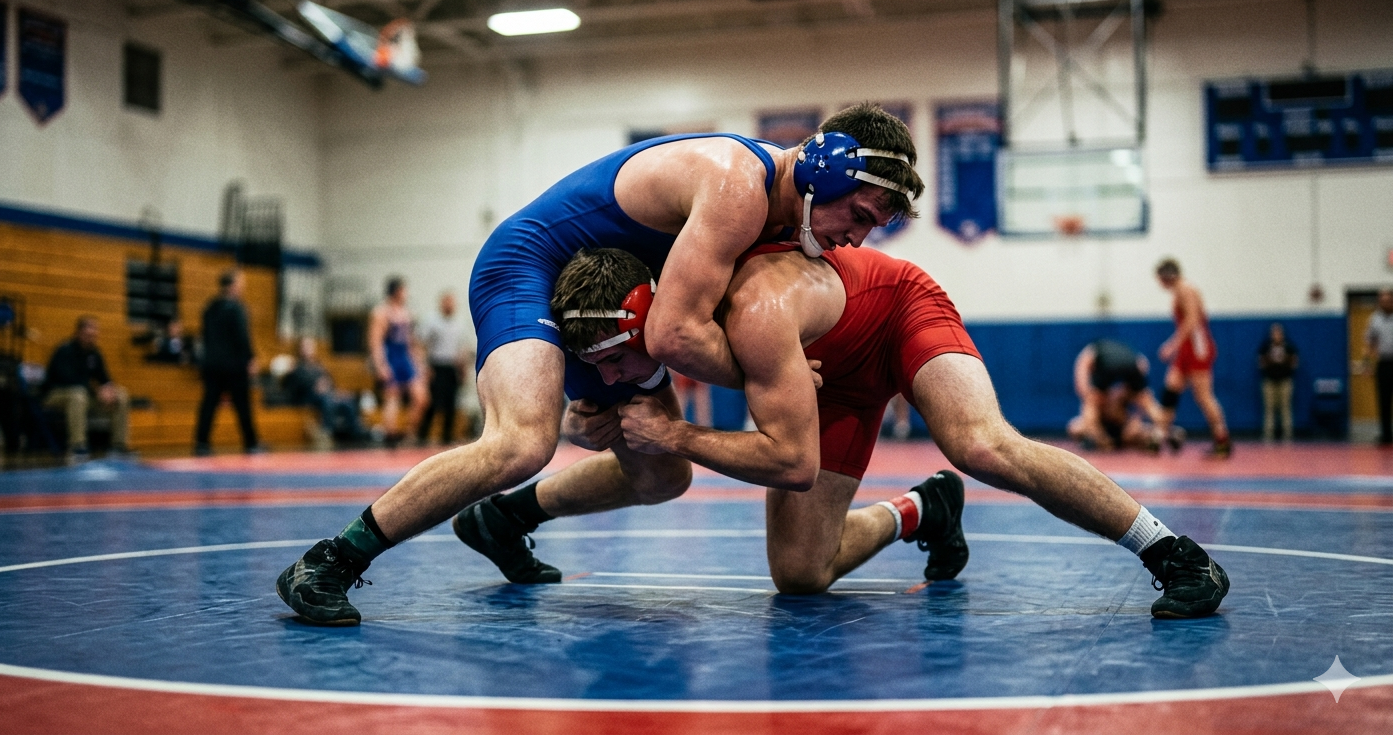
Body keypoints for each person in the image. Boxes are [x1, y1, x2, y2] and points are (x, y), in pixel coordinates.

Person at [275, 103, 927, 626]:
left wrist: (768, 368)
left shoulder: (784, 222)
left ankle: (506, 518)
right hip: (529, 270)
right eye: (859, 214)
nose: (858, 236)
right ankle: (330, 561)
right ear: (825, 175)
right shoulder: (738, 187)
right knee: (522, 441)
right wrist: (772, 375)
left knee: (664, 476)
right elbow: (674, 333)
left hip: (614, 303)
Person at [483, 245, 1228, 618]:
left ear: (650, 321)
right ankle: (922, 508)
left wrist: (673, 437)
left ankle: (1175, 553)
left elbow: (788, 463)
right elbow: (639, 416)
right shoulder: (662, 329)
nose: (616, 378)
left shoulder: (725, 318)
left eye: (618, 365)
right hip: (818, 366)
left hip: (894, 308)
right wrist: (596, 418)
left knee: (982, 444)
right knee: (800, 575)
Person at [1152, 259, 1231, 458]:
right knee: (1170, 389)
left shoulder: (1185, 289)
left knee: (1203, 396)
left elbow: (1192, 320)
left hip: (1197, 348)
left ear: (1166, 276)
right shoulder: (1181, 289)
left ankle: (1222, 440)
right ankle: (1160, 436)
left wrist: (1172, 345)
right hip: (1189, 348)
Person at [42, 316, 131, 462]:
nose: (92, 338)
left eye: (94, 335)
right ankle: (77, 446)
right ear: (78, 333)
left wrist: (108, 389)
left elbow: (104, 378)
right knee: (78, 394)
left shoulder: (95, 353)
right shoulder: (64, 350)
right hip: (55, 395)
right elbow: (68, 380)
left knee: (120, 395)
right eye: (88, 335)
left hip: (83, 395)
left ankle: (118, 446)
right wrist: (97, 391)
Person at [194, 270, 260, 455]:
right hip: (234, 365)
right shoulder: (237, 308)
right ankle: (251, 442)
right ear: (232, 285)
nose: (243, 287)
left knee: (209, 403)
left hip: (212, 364)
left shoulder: (209, 308)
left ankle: (201, 442)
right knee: (242, 404)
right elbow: (242, 337)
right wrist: (250, 358)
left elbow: (205, 337)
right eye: (240, 283)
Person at [1068, 339, 1166, 452]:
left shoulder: (1088, 354)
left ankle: (1098, 438)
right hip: (1133, 362)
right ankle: (1165, 430)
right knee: (1147, 402)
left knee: (1090, 402)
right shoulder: (1123, 353)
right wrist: (1139, 410)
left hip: (1113, 427)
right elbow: (1143, 365)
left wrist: (1090, 398)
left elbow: (1082, 387)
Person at [368, 277, 428, 447]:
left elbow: (410, 342)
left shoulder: (406, 313)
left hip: (404, 356)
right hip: (390, 356)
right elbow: (375, 341)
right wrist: (381, 365)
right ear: (396, 291)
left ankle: (409, 434)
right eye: (404, 290)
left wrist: (418, 364)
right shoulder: (381, 313)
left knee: (421, 397)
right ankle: (391, 437)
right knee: (392, 397)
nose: (406, 294)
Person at [287, 337, 369, 446]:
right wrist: (314, 387)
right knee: (327, 399)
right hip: (308, 396)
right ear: (300, 349)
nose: (309, 349)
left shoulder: (319, 365)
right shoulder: (297, 366)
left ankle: (355, 432)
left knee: (347, 401)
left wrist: (335, 391)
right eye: (306, 346)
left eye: (311, 346)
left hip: (327, 394)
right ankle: (327, 431)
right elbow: (295, 385)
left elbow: (330, 381)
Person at [417, 292, 470, 445]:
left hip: (452, 366)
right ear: (441, 303)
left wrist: (463, 368)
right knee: (433, 403)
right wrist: (424, 366)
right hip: (436, 365)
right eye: (447, 302)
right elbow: (421, 343)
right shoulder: (431, 321)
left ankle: (447, 437)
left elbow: (463, 347)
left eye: (452, 302)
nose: (450, 305)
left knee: (451, 403)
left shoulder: (460, 322)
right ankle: (423, 435)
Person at [1257, 323, 1299, 444]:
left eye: (1278, 333)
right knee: (1269, 409)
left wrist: (1284, 364)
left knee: (1286, 408)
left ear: (1282, 334)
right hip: (1269, 381)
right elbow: (1261, 363)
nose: (1276, 335)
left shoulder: (1289, 347)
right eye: (1274, 333)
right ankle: (1268, 434)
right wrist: (1272, 363)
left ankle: (1288, 435)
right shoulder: (1265, 347)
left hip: (1285, 381)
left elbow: (1294, 362)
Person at [1367, 288, 1393, 446]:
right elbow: (1370, 342)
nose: (1385, 302)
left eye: (1388, 300)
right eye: (1382, 300)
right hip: (1383, 363)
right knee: (1383, 400)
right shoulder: (1374, 319)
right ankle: (1386, 434)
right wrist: (1368, 364)